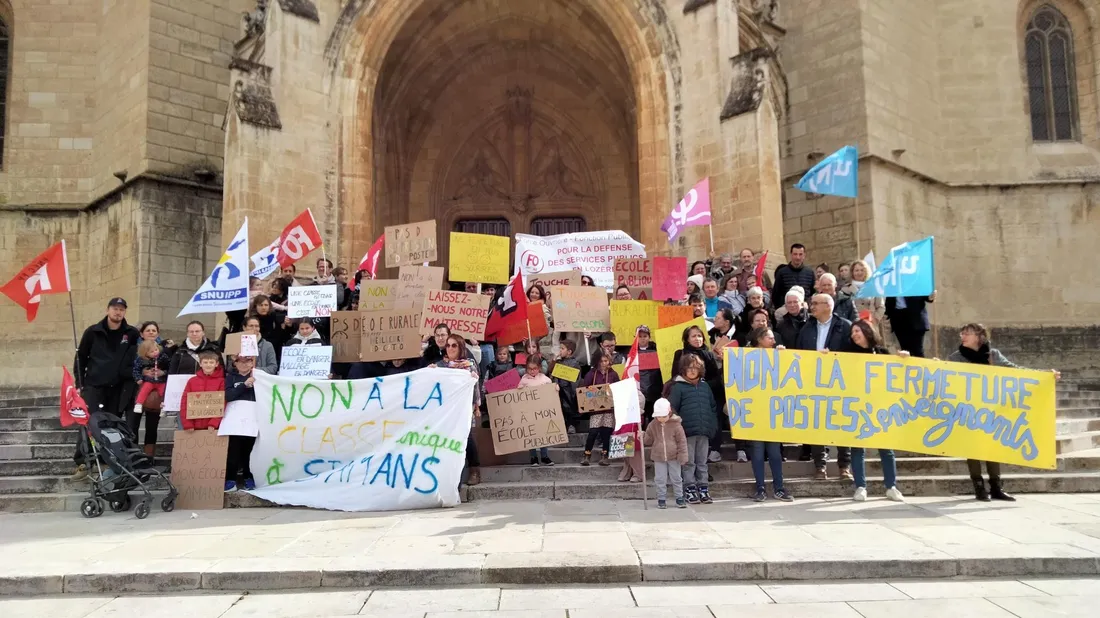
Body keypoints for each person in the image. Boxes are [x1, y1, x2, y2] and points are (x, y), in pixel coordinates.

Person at [946, 323, 1061, 501]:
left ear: (979, 336)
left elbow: (1014, 370)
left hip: (992, 408)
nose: (962, 336)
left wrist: (1043, 375)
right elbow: (947, 377)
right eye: (962, 333)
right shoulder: (956, 357)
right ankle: (979, 487)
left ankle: (996, 487)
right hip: (969, 409)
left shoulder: (993, 355)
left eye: (967, 333)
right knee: (972, 448)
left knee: (993, 446)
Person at [71, 298, 140, 480]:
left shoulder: (131, 333)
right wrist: (79, 384)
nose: (118, 312)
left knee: (111, 426)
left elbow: (140, 356)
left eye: (122, 309)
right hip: (93, 386)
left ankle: (107, 461)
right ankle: (83, 462)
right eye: (115, 308)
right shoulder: (93, 332)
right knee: (89, 423)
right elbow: (81, 358)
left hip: (117, 388)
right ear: (108, 310)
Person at [848, 319, 908, 502]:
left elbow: (896, 373)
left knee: (886, 449)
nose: (854, 335)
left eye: (857, 331)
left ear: (867, 331)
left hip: (881, 406)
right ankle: (860, 487)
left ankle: (891, 486)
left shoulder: (882, 352)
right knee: (857, 448)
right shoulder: (847, 353)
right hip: (858, 406)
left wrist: (904, 358)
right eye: (852, 332)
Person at [795, 293, 853, 480]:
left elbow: (855, 353)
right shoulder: (807, 328)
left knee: (842, 424)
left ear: (828, 306)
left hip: (840, 383)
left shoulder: (845, 326)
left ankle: (844, 466)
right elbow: (799, 353)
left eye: (815, 303)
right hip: (815, 383)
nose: (811, 306)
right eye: (811, 303)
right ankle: (820, 466)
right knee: (817, 425)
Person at [745, 326, 794, 502]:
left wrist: (783, 355)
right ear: (759, 339)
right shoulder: (746, 357)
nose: (774, 341)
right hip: (755, 411)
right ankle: (760, 488)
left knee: (774, 453)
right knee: (757, 453)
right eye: (770, 338)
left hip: (773, 411)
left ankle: (779, 488)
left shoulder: (777, 354)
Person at [668, 354, 718, 504]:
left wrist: (712, 425)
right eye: (689, 368)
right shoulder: (678, 387)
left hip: (703, 431)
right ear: (683, 369)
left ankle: (703, 488)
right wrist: (678, 426)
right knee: (688, 462)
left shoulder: (705, 386)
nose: (692, 370)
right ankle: (689, 488)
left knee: (702, 462)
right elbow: (672, 408)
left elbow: (713, 407)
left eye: (696, 367)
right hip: (686, 432)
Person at [434, 333, 482, 486]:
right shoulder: (442, 367)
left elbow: (475, 388)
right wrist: (430, 371)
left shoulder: (469, 366)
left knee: (466, 438)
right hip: (447, 411)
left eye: (454, 345)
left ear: (461, 347)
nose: (450, 348)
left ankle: (474, 470)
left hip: (464, 409)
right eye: (448, 345)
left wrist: (476, 406)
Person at [643, 398, 688, 508]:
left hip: (674, 456)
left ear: (669, 412)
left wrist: (682, 455)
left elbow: (682, 441)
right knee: (660, 479)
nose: (661, 419)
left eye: (664, 416)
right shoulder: (653, 425)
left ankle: (679, 497)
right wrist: (643, 435)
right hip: (658, 456)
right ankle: (661, 498)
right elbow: (648, 441)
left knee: (676, 478)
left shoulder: (676, 425)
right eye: (659, 416)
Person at [224, 354, 258, 491]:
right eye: (241, 362)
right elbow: (228, 395)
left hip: (253, 419)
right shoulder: (230, 378)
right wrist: (244, 385)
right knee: (233, 451)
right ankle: (230, 479)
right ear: (235, 364)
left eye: (247, 361)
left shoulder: (259, 377)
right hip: (234, 420)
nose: (244, 364)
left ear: (252, 363)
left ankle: (249, 477)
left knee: (250, 451)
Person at [130, 340, 168, 456]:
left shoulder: (162, 356)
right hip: (146, 382)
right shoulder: (140, 359)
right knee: (133, 426)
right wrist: (139, 377)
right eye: (152, 351)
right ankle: (134, 454)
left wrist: (163, 372)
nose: (155, 352)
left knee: (163, 393)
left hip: (160, 382)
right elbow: (135, 369)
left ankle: (149, 455)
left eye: (156, 350)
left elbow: (170, 366)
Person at [580, 349, 618, 466]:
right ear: (597, 361)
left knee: (606, 432)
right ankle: (587, 454)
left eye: (606, 361)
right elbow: (584, 389)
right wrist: (590, 390)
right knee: (593, 432)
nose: (603, 363)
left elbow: (618, 388)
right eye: (601, 361)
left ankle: (605, 455)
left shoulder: (613, 374)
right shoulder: (591, 374)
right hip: (595, 409)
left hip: (609, 409)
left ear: (609, 361)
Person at [517, 355, 557, 466]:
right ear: (526, 368)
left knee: (543, 434)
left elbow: (552, 388)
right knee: (531, 435)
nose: (532, 371)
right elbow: (518, 394)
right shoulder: (524, 379)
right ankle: (533, 457)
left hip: (542, 412)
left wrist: (555, 388)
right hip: (529, 412)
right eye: (530, 369)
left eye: (534, 368)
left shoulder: (545, 379)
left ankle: (544, 456)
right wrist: (519, 389)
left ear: (539, 367)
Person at [179, 349, 224, 433]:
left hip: (213, 428)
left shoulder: (221, 382)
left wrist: (214, 423)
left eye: (211, 362)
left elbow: (222, 403)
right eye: (205, 362)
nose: (208, 365)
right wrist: (187, 424)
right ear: (200, 364)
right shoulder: (192, 381)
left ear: (216, 364)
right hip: (193, 427)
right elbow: (184, 402)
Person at [885, 290, 936, 358]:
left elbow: (925, 294)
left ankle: (920, 365)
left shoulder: (914, 282)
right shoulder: (893, 284)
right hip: (898, 319)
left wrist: (930, 296)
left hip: (915, 318)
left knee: (917, 351)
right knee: (905, 352)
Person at [550, 340, 583, 434]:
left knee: (570, 408)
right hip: (559, 389)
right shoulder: (558, 362)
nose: (560, 350)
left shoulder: (574, 363)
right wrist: (554, 360)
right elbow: (551, 371)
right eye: (560, 348)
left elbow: (576, 379)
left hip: (569, 390)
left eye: (562, 348)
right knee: (562, 408)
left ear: (569, 351)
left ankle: (572, 425)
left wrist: (572, 390)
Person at [771, 243, 816, 311]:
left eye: (800, 254)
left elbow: (813, 293)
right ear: (791, 255)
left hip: (805, 309)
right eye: (795, 254)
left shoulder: (810, 272)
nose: (798, 257)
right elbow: (776, 294)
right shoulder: (782, 272)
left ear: (804, 255)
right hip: (786, 309)